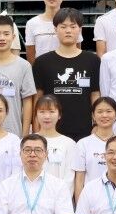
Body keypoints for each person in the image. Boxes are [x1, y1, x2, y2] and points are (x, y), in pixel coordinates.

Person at [32, 8, 101, 141]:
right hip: (50, 130)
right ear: (55, 29)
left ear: (80, 29)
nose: (68, 31)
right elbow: (38, 97)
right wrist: (36, 126)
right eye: (63, 27)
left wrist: (96, 124)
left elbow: (95, 94)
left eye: (73, 26)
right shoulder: (42, 62)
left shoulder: (92, 60)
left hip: (84, 130)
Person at [73, 97, 116, 198]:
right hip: (91, 199)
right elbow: (79, 181)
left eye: (109, 111)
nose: (104, 115)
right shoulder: (83, 144)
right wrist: (80, 206)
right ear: (93, 116)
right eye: (100, 111)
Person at [25, 0, 80, 64]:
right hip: (41, 70)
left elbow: (77, 51)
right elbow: (31, 57)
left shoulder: (73, 22)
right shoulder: (32, 23)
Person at [31, 96, 77, 191]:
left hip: (59, 197)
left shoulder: (69, 143)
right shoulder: (27, 141)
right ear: (36, 115)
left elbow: (69, 178)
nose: (47, 116)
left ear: (59, 115)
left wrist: (61, 197)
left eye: (51, 112)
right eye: (42, 112)